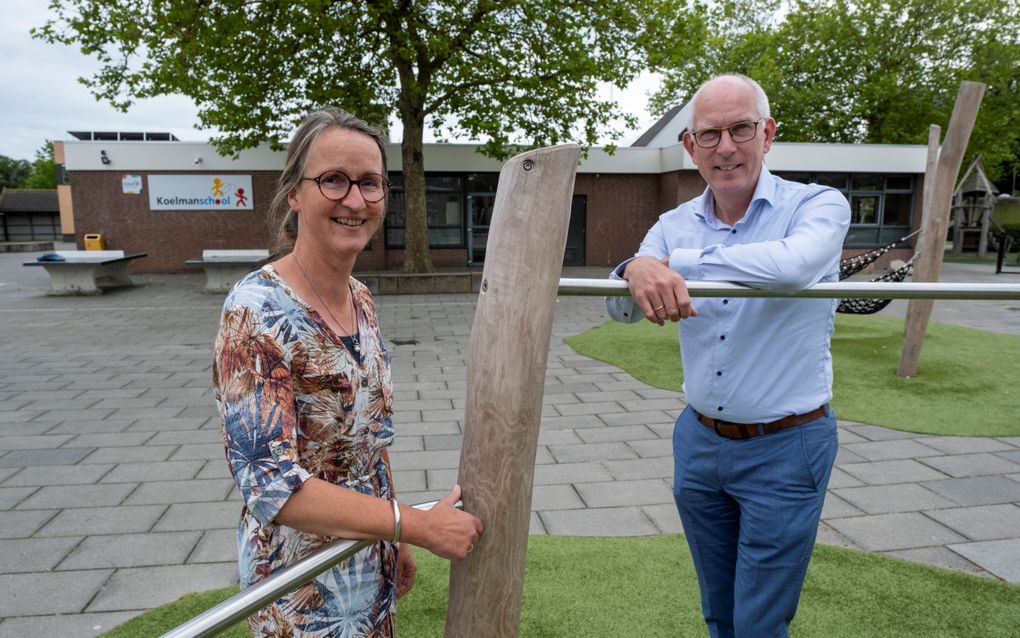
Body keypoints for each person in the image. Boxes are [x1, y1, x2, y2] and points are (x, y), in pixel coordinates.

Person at [213, 107, 483, 637]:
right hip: (301, 585)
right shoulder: (254, 313)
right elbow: (274, 488)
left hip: (368, 560)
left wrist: (395, 538)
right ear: (295, 193)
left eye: (370, 183)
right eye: (333, 180)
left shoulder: (361, 299)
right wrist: (416, 523)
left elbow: (373, 437)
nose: (355, 200)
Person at [606, 74, 851, 638]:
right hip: (699, 442)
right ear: (690, 147)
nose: (726, 147)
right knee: (719, 610)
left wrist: (671, 263)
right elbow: (623, 305)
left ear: (766, 134)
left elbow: (791, 267)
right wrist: (633, 269)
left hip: (787, 447)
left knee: (760, 623)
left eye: (740, 129)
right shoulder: (672, 222)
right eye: (709, 134)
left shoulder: (818, 204)